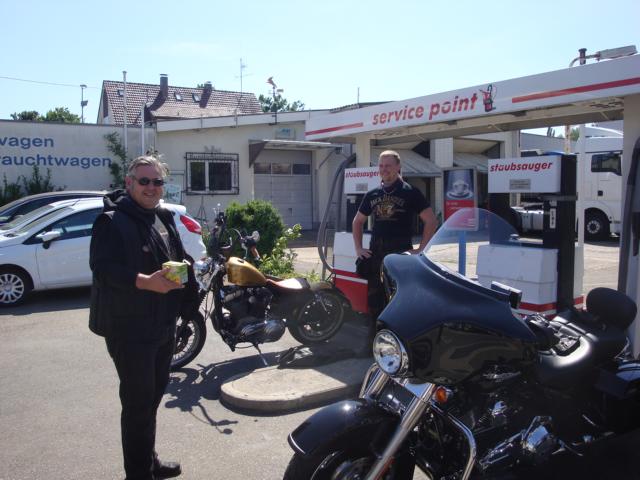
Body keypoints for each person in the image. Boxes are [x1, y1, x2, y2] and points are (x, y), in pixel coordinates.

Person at [89, 155, 200, 480]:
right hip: (130, 329)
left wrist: (187, 280)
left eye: (158, 181)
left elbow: (176, 255)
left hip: (162, 325)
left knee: (151, 399)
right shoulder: (111, 221)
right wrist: (144, 282)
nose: (151, 187)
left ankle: (148, 461)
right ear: (129, 183)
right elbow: (102, 269)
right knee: (137, 404)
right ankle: (138, 474)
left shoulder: (161, 217)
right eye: (144, 181)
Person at [352, 150, 437, 344]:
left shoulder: (410, 192)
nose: (384, 169)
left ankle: (398, 343)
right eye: (381, 166)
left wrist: (421, 249)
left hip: (400, 253)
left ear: (398, 167)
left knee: (398, 299)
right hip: (376, 253)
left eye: (388, 166)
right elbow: (358, 221)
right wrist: (359, 248)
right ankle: (374, 341)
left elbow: (431, 221)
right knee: (374, 300)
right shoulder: (373, 194)